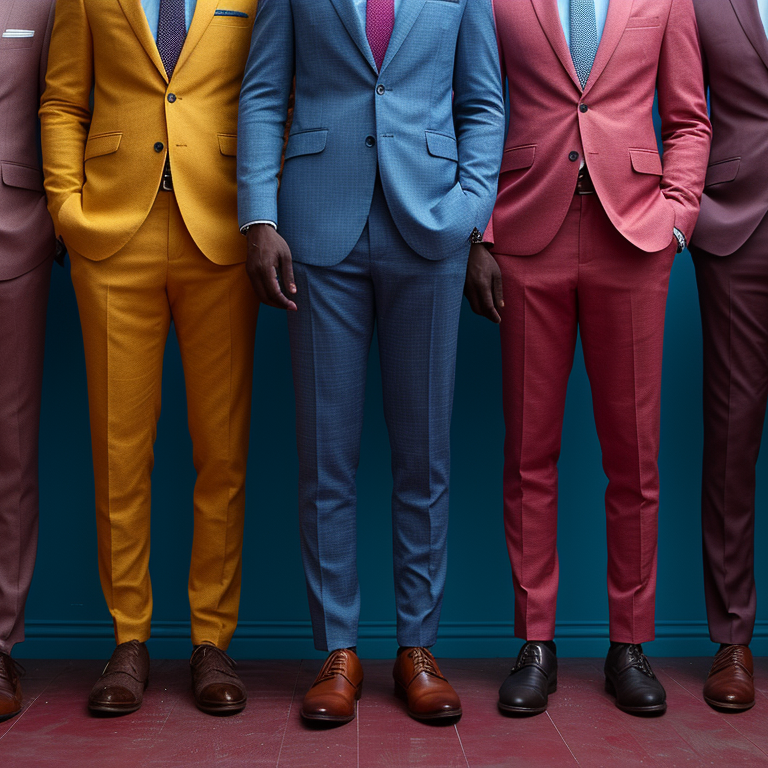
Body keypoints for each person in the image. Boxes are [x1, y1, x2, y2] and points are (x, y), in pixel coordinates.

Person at [238, 0, 504, 724]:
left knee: (426, 455)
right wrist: (260, 216)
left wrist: (470, 208)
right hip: (317, 225)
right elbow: (263, 93)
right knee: (325, 455)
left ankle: (418, 648)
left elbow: (484, 103)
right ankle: (339, 651)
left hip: (433, 228)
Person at [465, 0, 710, 716]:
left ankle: (628, 644)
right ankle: (535, 643)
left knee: (634, 456)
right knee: (527, 454)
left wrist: (677, 217)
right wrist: (482, 233)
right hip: (525, 235)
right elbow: (475, 108)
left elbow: (689, 120)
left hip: (633, 239)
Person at [40, 0, 260, 716]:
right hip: (112, 234)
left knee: (222, 451)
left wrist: (264, 207)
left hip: (222, 233)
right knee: (119, 449)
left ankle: (211, 640)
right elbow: (63, 100)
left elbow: (274, 96)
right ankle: (128, 638)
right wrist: (66, 207)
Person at [691, 0, 768, 713]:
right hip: (738, 230)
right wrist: (692, 210)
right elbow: (682, 107)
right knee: (732, 435)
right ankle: (733, 639)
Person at [0, 0, 58, 723]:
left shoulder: (43, 3)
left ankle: (0, 641)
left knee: (10, 449)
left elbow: (67, 101)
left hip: (12, 233)